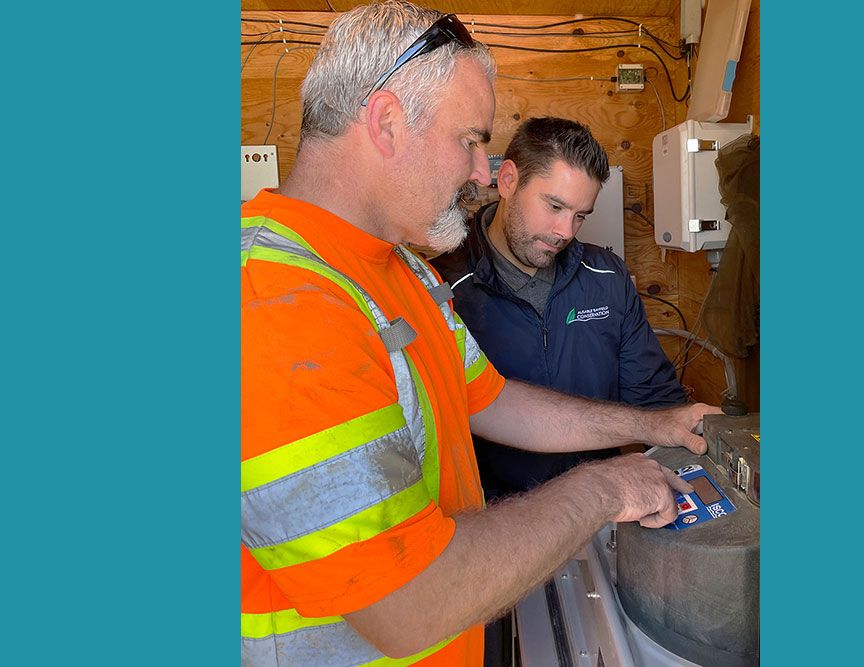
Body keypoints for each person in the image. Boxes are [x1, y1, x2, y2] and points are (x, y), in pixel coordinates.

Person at [240, 2, 719, 666]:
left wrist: (660, 426)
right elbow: (408, 603)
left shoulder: (400, 268)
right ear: (385, 122)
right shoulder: (274, 301)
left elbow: (493, 400)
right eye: (469, 139)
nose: (477, 171)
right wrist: (602, 488)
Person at [432, 116, 688, 503]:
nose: (566, 231)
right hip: (494, 524)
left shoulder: (606, 276)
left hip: (602, 510)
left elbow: (657, 403)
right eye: (554, 206)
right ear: (508, 181)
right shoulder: (443, 288)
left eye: (580, 215)